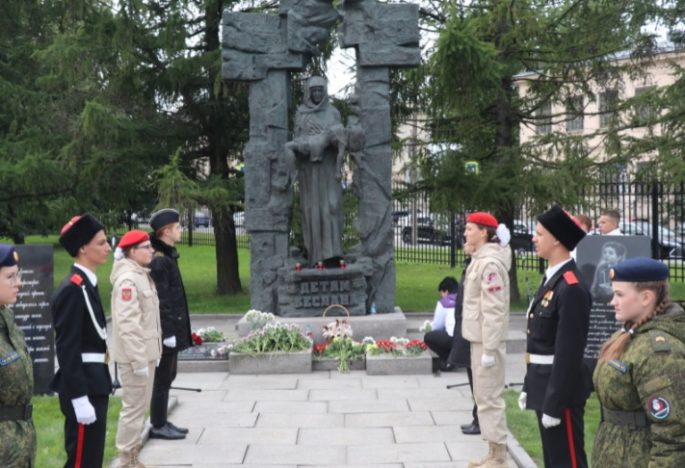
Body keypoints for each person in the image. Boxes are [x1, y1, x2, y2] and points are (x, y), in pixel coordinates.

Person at [592, 257, 685, 467]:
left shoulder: (659, 353)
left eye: (619, 295)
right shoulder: (628, 334)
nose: (612, 302)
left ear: (645, 297)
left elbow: (673, 437)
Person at [519, 205, 592, 468]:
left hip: (561, 391)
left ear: (557, 239)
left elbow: (568, 353)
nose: (533, 238)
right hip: (544, 384)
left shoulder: (570, 287)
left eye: (539, 233)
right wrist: (530, 386)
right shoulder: (553, 279)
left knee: (567, 461)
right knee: (553, 460)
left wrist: (555, 402)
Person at [51, 214, 112, 468]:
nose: (108, 247)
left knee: (92, 458)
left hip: (95, 380)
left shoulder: (87, 284)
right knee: (81, 461)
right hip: (84, 385)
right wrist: (78, 397)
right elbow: (67, 348)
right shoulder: (73, 289)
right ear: (83, 248)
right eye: (101, 243)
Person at [461, 212, 512, 468]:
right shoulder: (481, 259)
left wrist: (490, 349)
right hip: (479, 339)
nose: (465, 233)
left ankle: (499, 456)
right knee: (484, 397)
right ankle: (493, 451)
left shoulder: (488, 264)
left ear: (484, 232)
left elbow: (494, 309)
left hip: (486, 342)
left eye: (469, 229)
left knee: (490, 398)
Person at [111, 230, 162, 467]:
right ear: (132, 252)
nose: (151, 250)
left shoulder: (141, 274)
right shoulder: (128, 280)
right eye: (146, 247)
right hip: (135, 359)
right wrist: (139, 360)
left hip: (145, 355)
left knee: (140, 408)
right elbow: (128, 325)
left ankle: (132, 456)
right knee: (133, 410)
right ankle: (126, 460)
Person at [285, 75, 346, 267]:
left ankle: (334, 253)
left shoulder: (333, 112)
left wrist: (329, 142)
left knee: (331, 206)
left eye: (321, 90)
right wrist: (308, 145)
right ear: (308, 93)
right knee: (312, 209)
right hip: (309, 171)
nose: (318, 94)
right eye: (314, 91)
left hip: (328, 168)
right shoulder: (302, 114)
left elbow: (341, 139)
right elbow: (298, 139)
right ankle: (315, 255)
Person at [148, 208, 192, 440]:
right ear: (166, 231)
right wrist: (167, 332)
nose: (180, 230)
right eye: (178, 227)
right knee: (163, 376)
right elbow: (162, 299)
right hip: (166, 329)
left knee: (169, 375)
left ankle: (161, 420)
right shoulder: (159, 260)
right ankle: (157, 424)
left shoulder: (167, 255)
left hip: (173, 325)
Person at [0, 245, 36, 467]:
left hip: (20, 441)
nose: (19, 283)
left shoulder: (7, 320)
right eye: (10, 277)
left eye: (18, 275)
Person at [446, 243, 480, 435]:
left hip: (474, 331)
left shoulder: (483, 265)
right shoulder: (471, 264)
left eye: (469, 230)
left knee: (479, 382)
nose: (465, 238)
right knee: (472, 377)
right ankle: (477, 417)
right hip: (465, 327)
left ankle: (481, 420)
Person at [423, 276, 459, 368]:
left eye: (442, 293)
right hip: (466, 337)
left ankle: (448, 359)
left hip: (452, 337)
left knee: (428, 337)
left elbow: (437, 325)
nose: (441, 296)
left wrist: (427, 327)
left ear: (446, 291)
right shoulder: (465, 299)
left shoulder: (444, 303)